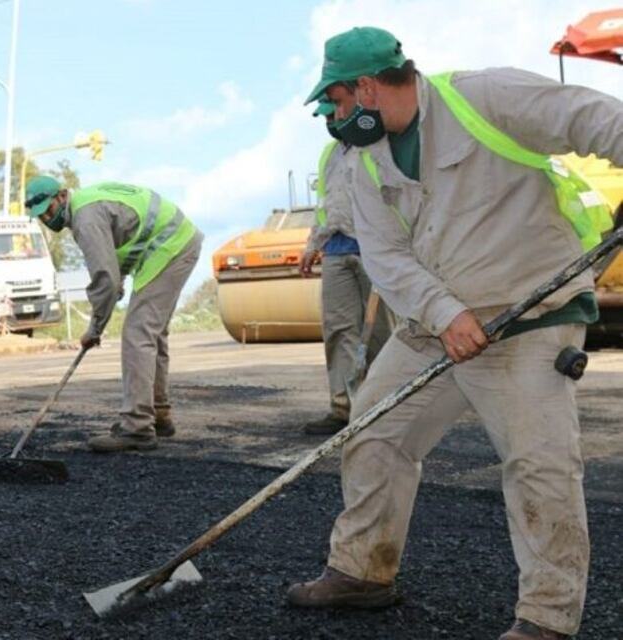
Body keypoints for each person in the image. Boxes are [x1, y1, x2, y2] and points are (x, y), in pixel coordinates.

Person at [287, 26, 622, 640]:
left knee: (539, 463)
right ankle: (362, 570)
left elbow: (593, 118)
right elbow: (387, 256)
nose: (334, 117)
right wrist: (446, 316)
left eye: (336, 101)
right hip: (435, 323)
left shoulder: (484, 97)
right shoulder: (365, 159)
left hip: (528, 315)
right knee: (373, 431)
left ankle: (547, 618)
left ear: (366, 88)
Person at [24, 176, 202, 453]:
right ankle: (158, 415)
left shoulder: (85, 218)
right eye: (41, 215)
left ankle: (137, 428)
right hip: (178, 241)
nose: (47, 218)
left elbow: (104, 279)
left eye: (49, 209)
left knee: (138, 334)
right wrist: (116, 281)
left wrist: (95, 328)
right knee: (151, 334)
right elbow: (122, 250)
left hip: (171, 247)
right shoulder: (88, 205)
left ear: (61, 195)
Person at [299, 99, 391, 435]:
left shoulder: (378, 145)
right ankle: (343, 408)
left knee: (380, 332)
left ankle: (383, 405)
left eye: (333, 113)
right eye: (325, 116)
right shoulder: (330, 154)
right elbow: (325, 205)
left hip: (374, 248)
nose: (330, 121)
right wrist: (313, 244)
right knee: (338, 329)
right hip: (336, 248)